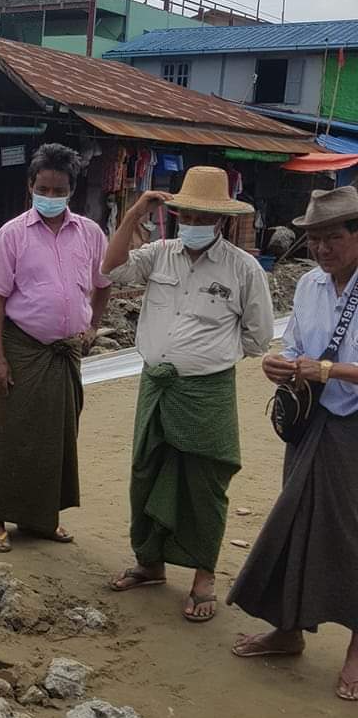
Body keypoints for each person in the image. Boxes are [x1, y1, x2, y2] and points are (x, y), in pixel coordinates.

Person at [104, 165, 274, 622]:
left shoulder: (242, 268)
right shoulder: (159, 254)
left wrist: (206, 356)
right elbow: (111, 269)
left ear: (220, 221)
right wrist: (133, 213)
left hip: (207, 393)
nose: (194, 224)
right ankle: (149, 563)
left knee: (204, 483)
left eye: (204, 217)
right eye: (188, 216)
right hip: (156, 386)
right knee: (146, 470)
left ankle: (204, 576)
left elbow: (258, 337)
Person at [229, 185, 358, 701]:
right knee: (293, 522)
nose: (322, 249)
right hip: (311, 424)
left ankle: (356, 650)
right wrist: (277, 365)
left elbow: (323, 364)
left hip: (353, 428)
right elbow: (295, 347)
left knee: (352, 536)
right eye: (315, 239)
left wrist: (327, 370)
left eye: (333, 237)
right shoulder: (308, 285)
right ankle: (286, 629)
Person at [0, 142, 111, 553]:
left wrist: (93, 326)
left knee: (56, 437)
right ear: (30, 186)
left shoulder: (90, 233)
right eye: (43, 189)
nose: (50, 197)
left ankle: (40, 517)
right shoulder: (12, 235)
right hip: (20, 348)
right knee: (7, 433)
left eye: (58, 190)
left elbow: (103, 283)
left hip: (65, 353)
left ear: (71, 190)